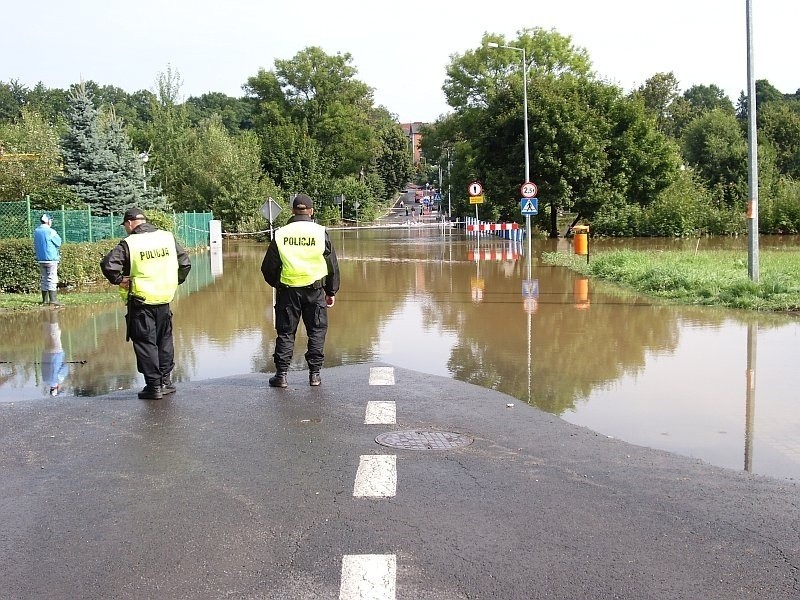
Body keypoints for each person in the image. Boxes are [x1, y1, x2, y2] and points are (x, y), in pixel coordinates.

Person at [100, 208, 192, 400]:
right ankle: (165, 381)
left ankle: (154, 386)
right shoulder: (167, 237)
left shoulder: (130, 243)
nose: (125, 229)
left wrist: (119, 280)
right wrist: (174, 281)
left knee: (145, 342)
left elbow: (108, 264)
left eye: (125, 225)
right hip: (164, 299)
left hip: (141, 301)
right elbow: (185, 264)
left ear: (131, 222)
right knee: (164, 340)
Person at [261, 193, 340, 388]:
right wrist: (331, 291)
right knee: (316, 332)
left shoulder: (281, 233)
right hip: (315, 291)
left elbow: (268, 267)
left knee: (286, 333)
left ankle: (281, 376)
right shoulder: (320, 232)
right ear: (311, 211)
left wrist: (278, 284)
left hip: (288, 292)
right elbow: (332, 266)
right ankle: (314, 375)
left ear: (292, 211)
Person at [33, 214, 63, 306]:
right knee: (52, 278)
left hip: (41, 259)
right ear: (49, 221)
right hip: (51, 258)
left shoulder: (36, 231)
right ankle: (53, 300)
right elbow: (58, 242)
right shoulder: (51, 231)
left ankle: (45, 300)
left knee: (44, 278)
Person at [41, 310, 68, 396]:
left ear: (57, 388)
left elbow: (65, 367)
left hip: (56, 353)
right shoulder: (45, 379)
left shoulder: (59, 379)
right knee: (47, 333)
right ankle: (44, 312)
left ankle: (53, 312)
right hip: (46, 353)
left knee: (54, 332)